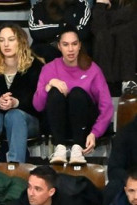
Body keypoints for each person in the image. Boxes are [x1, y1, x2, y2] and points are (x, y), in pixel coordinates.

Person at [33, 27, 113, 165]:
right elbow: (38, 106)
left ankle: (77, 148)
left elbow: (107, 107)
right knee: (55, 92)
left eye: (74, 44)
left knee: (76, 93)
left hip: (84, 126)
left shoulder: (93, 69)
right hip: (58, 125)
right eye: (66, 44)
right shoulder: (49, 69)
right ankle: (59, 147)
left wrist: (95, 133)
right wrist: (49, 85)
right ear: (59, 46)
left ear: (80, 45)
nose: (70, 49)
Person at [0, 24, 43, 165]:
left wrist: (15, 103)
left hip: (27, 120)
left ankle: (16, 165)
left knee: (15, 115)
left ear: (20, 42)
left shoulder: (35, 66)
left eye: (11, 39)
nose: (6, 44)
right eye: (2, 40)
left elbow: (37, 101)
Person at [91, 0, 137, 93]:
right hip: (111, 65)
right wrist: (100, 5)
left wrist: (104, 15)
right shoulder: (108, 3)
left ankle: (128, 81)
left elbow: (126, 19)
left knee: (124, 33)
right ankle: (105, 83)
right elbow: (97, 28)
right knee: (101, 36)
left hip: (129, 52)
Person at [103, 117, 137, 205]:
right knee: (113, 188)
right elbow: (114, 170)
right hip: (130, 181)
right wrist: (132, 180)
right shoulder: (125, 134)